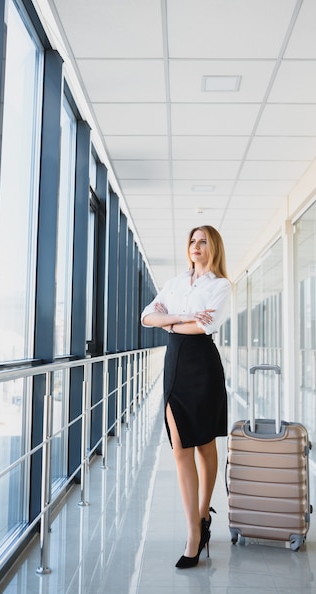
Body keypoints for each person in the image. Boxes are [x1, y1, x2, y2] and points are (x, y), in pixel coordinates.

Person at [141, 225, 232, 569]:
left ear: (213, 247)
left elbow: (205, 327)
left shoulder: (220, 285)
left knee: (206, 444)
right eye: (192, 241)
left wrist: (172, 323)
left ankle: (202, 516)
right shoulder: (176, 283)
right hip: (175, 366)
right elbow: (147, 317)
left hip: (203, 367)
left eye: (203, 241)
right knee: (181, 448)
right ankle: (194, 530)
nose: (196, 246)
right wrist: (180, 316)